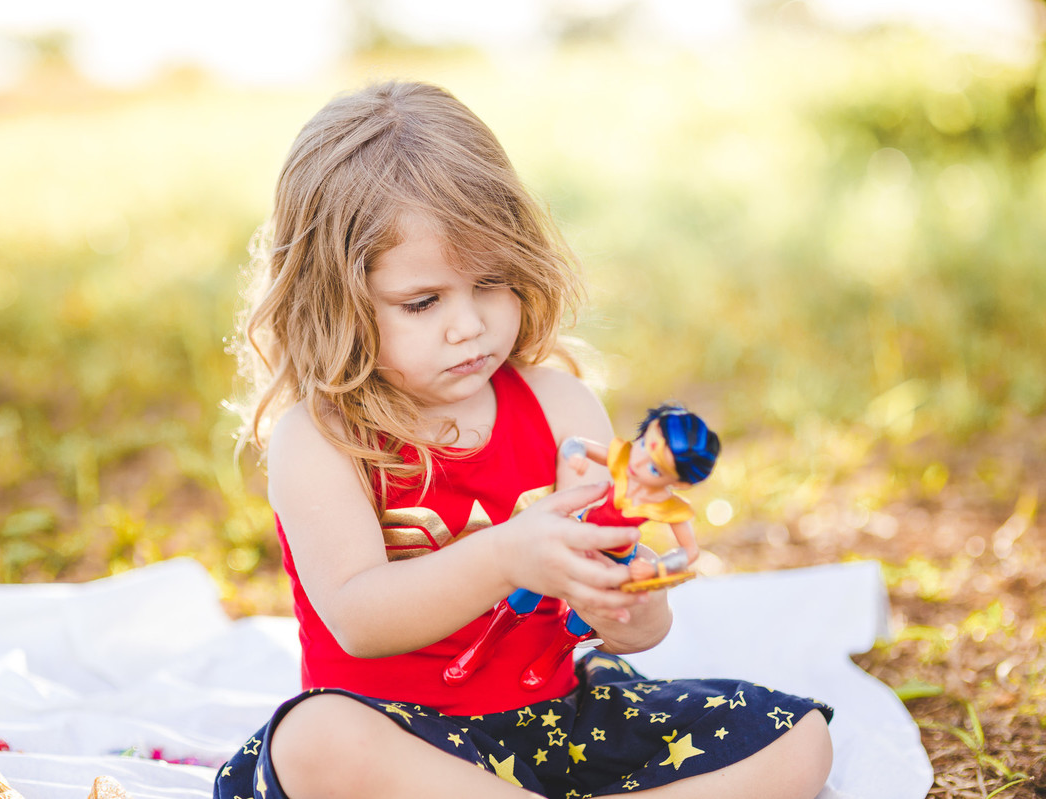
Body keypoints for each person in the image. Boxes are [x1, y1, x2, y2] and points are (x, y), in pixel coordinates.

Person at [216, 81, 832, 799]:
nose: (468, 325)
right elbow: (358, 617)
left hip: (559, 718)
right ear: (334, 302)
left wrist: (626, 601)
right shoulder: (320, 438)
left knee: (799, 740)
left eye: (491, 283)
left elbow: (631, 626)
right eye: (423, 302)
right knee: (314, 742)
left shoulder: (557, 405)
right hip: (406, 741)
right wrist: (508, 553)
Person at [444, 405, 720, 691]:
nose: (639, 462)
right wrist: (574, 455)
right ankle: (484, 644)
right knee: (529, 584)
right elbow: (577, 443)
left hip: (616, 556)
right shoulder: (624, 461)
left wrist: (658, 567)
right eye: (642, 445)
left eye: (654, 467)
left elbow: (689, 552)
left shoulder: (667, 505)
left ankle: (555, 656)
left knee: (588, 608)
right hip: (577, 532)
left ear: (681, 483)